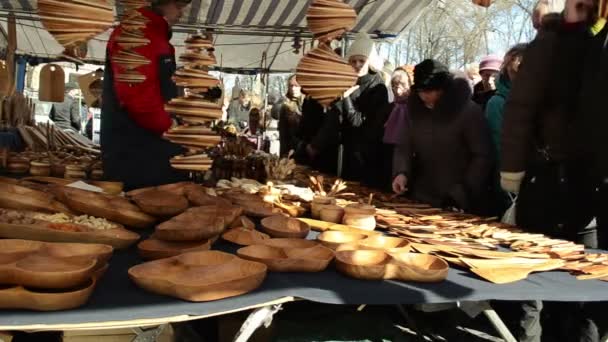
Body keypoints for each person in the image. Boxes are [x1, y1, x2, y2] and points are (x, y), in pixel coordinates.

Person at [101, 0, 191, 190]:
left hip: (148, 150)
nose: (182, 13)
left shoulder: (154, 34)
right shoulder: (138, 33)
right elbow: (137, 96)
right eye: (179, 6)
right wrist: (169, 127)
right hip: (139, 155)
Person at [392, 59, 493, 214]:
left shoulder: (468, 112)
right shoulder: (416, 110)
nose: (423, 96)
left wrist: (461, 193)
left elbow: (482, 156)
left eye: (429, 91)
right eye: (420, 91)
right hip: (421, 195)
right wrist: (401, 172)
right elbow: (405, 144)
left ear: (443, 89)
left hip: (456, 199)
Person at [335, 32, 390, 188]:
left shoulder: (377, 88)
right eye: (353, 61)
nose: (357, 65)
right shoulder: (348, 82)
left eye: (362, 61)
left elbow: (361, 123)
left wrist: (345, 98)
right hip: (344, 152)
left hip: (365, 156)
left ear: (369, 62)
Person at [274, 75, 305, 157]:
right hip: (289, 148)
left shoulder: (309, 104)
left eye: (296, 86)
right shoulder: (285, 106)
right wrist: (284, 153)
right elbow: (283, 133)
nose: (293, 88)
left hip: (304, 148)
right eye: (291, 86)